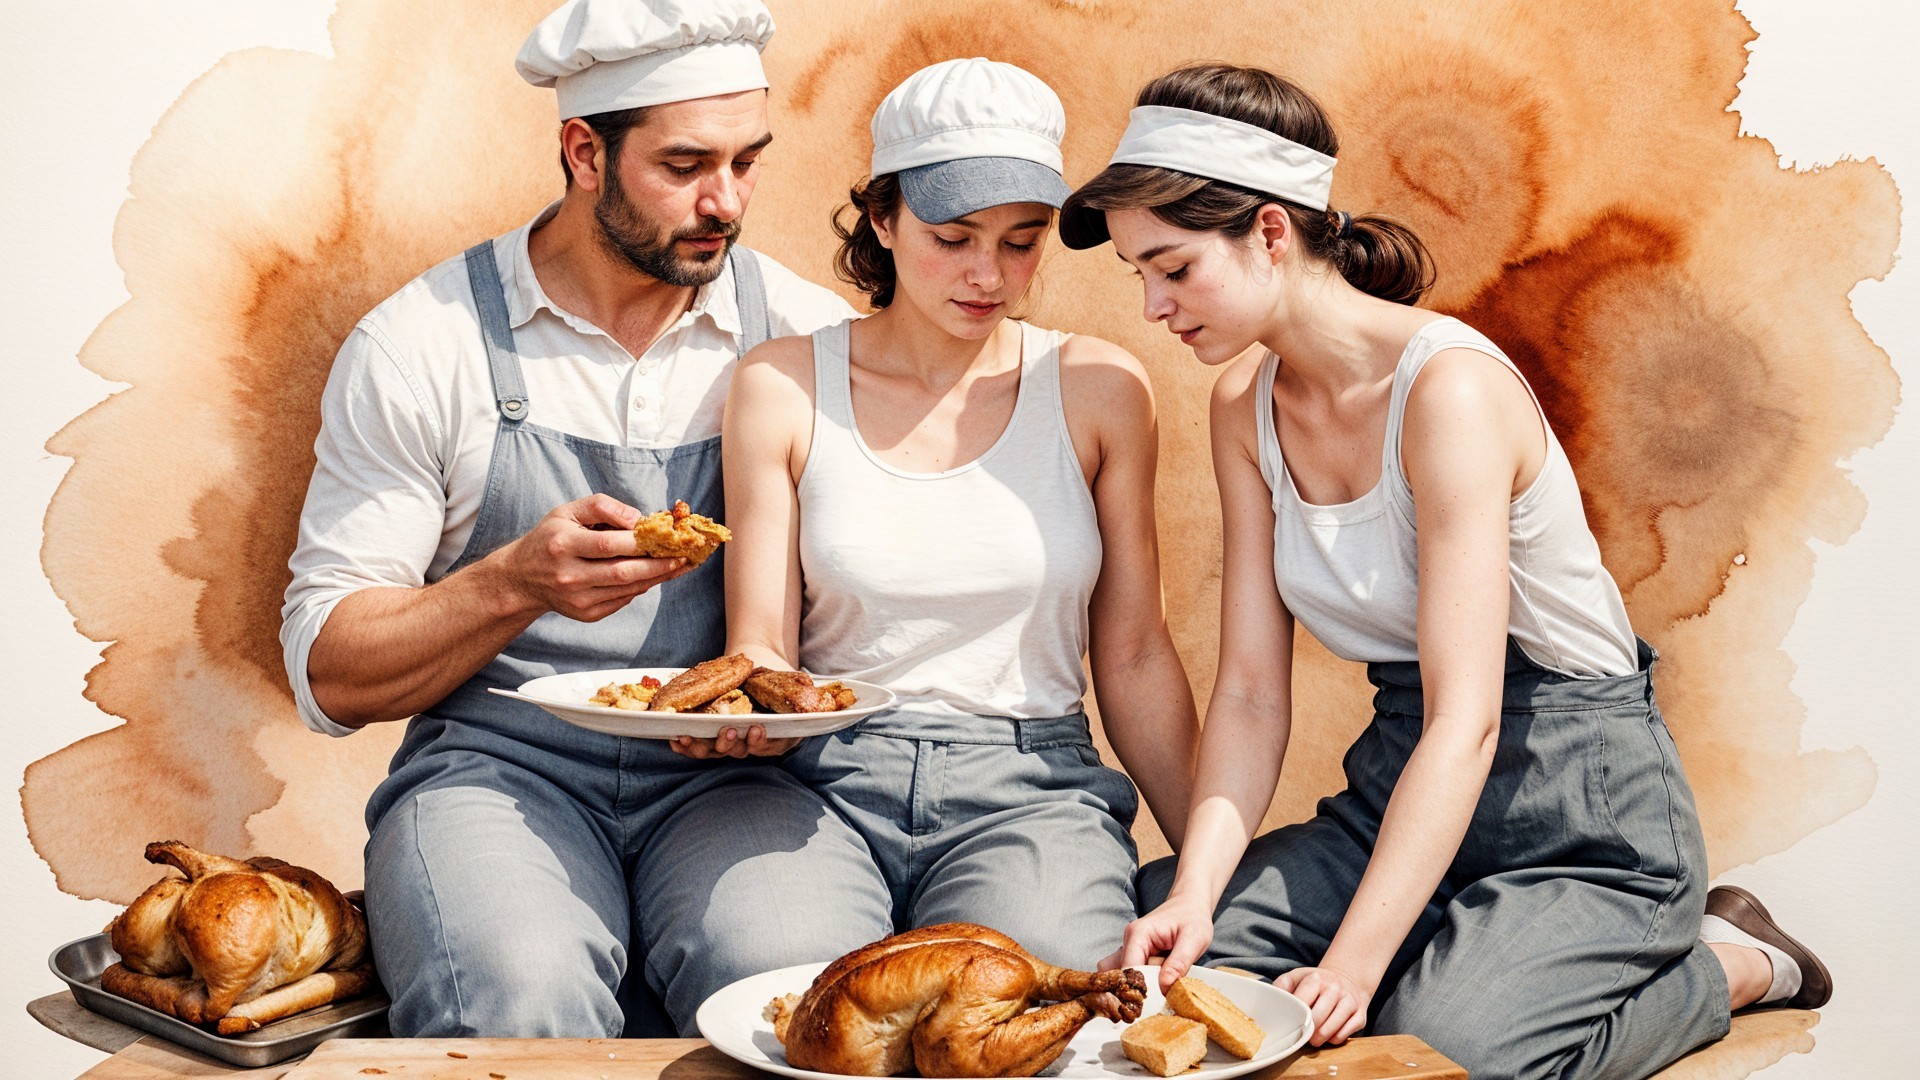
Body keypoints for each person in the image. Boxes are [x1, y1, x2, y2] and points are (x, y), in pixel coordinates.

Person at [1059, 63, 1832, 1079]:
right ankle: (1470, 953)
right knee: (1138, 974)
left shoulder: (1450, 393)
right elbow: (1249, 693)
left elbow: (1468, 717)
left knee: (1441, 1055)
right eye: (1139, 276)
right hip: (1399, 789)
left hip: (1579, 807)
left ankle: (1732, 962)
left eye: (1174, 267)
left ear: (1272, 233)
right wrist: (1199, 892)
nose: (1154, 305)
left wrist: (1353, 961)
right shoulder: (1242, 404)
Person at [279, 0, 866, 1038]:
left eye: (748, 162)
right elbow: (330, 671)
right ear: (583, 151)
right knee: (516, 992)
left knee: (798, 998)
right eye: (684, 166)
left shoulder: (813, 339)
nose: (724, 202)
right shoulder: (426, 344)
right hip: (500, 766)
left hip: (743, 778)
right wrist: (511, 583)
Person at [708, 57, 1201, 967]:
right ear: (885, 219)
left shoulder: (1097, 390)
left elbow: (1132, 652)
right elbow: (763, 648)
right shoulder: (780, 386)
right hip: (818, 777)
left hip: (1035, 786)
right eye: (953, 235)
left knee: (1030, 993)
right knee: (775, 982)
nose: (989, 274)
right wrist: (740, 714)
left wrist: (1208, 871)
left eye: (1023, 240)